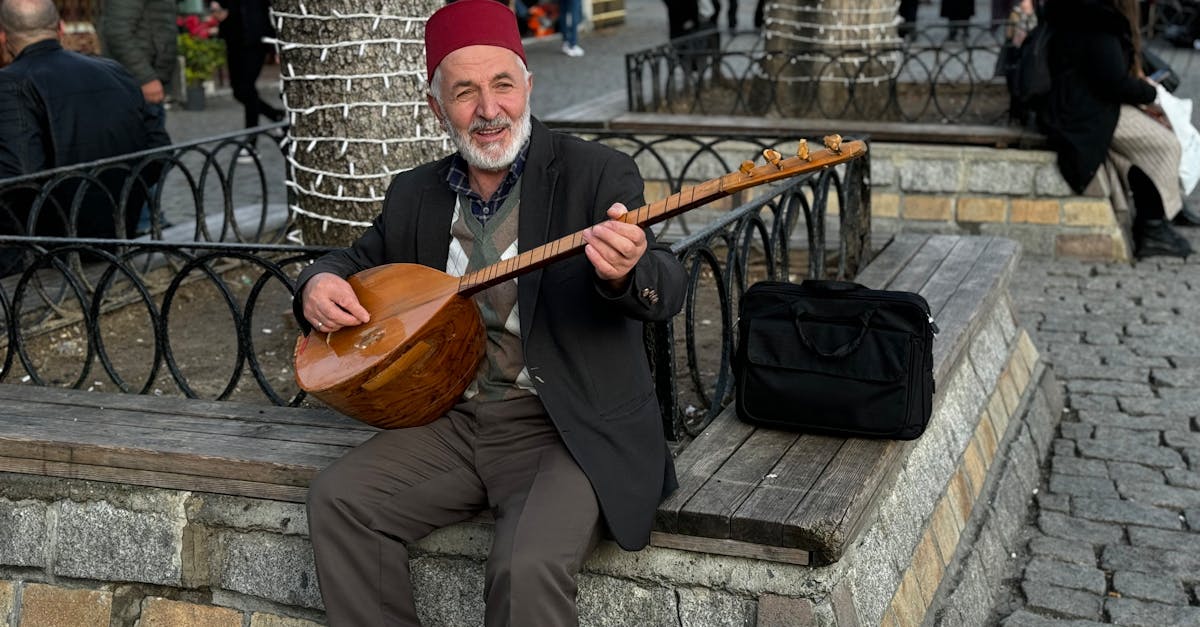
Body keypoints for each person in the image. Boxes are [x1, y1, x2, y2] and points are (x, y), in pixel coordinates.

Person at [294, 1, 687, 624]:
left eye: (503, 84)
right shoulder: (415, 193)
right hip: (454, 426)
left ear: (528, 86)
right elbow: (349, 262)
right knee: (341, 501)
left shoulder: (595, 173)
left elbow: (665, 285)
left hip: (567, 430)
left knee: (524, 568)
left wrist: (627, 271)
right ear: (437, 107)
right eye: (465, 92)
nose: (488, 109)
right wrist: (314, 285)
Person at [0, 0, 170, 243]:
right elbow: (159, 150)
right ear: (60, 28)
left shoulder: (10, 84)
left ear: (4, 36)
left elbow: (19, 178)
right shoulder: (113, 70)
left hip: (53, 246)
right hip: (119, 228)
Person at [1039, 0, 1198, 259]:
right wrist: (1152, 95)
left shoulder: (1088, 15)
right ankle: (1154, 226)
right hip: (1086, 112)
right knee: (1165, 144)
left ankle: (1158, 216)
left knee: (1149, 141)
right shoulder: (1096, 20)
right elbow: (1112, 82)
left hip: (1083, 105)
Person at [212, 0, 285, 132]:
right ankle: (275, 115)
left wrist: (277, 46)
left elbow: (273, 11)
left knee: (247, 88)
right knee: (239, 91)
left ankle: (251, 139)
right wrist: (218, 7)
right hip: (233, 39)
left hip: (256, 40)